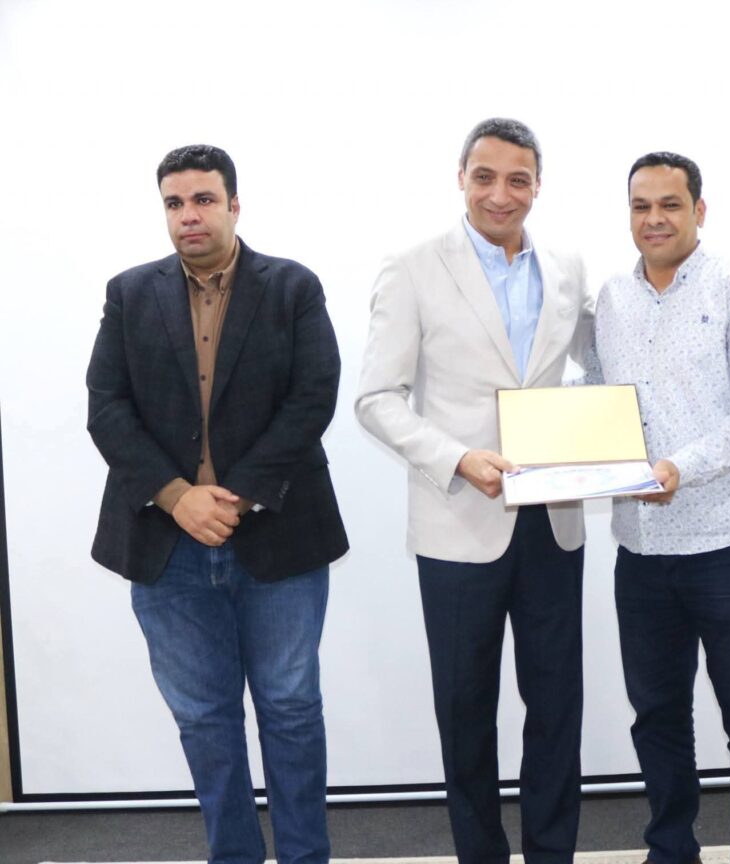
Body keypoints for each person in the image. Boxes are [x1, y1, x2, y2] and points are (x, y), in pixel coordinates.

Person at [86, 144, 349, 864]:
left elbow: (312, 397)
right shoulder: (129, 293)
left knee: (291, 710)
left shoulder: (291, 287)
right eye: (174, 203)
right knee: (204, 719)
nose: (189, 215)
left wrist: (235, 497)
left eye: (203, 199)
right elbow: (107, 409)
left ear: (235, 204)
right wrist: (179, 499)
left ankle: (304, 857)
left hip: (278, 535)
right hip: (165, 545)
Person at [355, 118, 593, 863]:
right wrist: (458, 458)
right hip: (458, 521)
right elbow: (376, 398)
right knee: (465, 713)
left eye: (518, 180)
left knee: (557, 706)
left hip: (553, 520)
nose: (500, 194)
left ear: (538, 186)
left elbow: (596, 365)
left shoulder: (567, 267)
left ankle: (552, 854)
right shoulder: (412, 267)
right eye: (484, 177)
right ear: (461, 178)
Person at [586, 151, 730, 864]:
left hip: (728, 542)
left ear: (699, 211)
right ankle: (671, 849)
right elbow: (598, 399)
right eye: (640, 206)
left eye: (669, 204)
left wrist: (681, 467)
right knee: (658, 715)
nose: (654, 219)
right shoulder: (610, 299)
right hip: (641, 549)